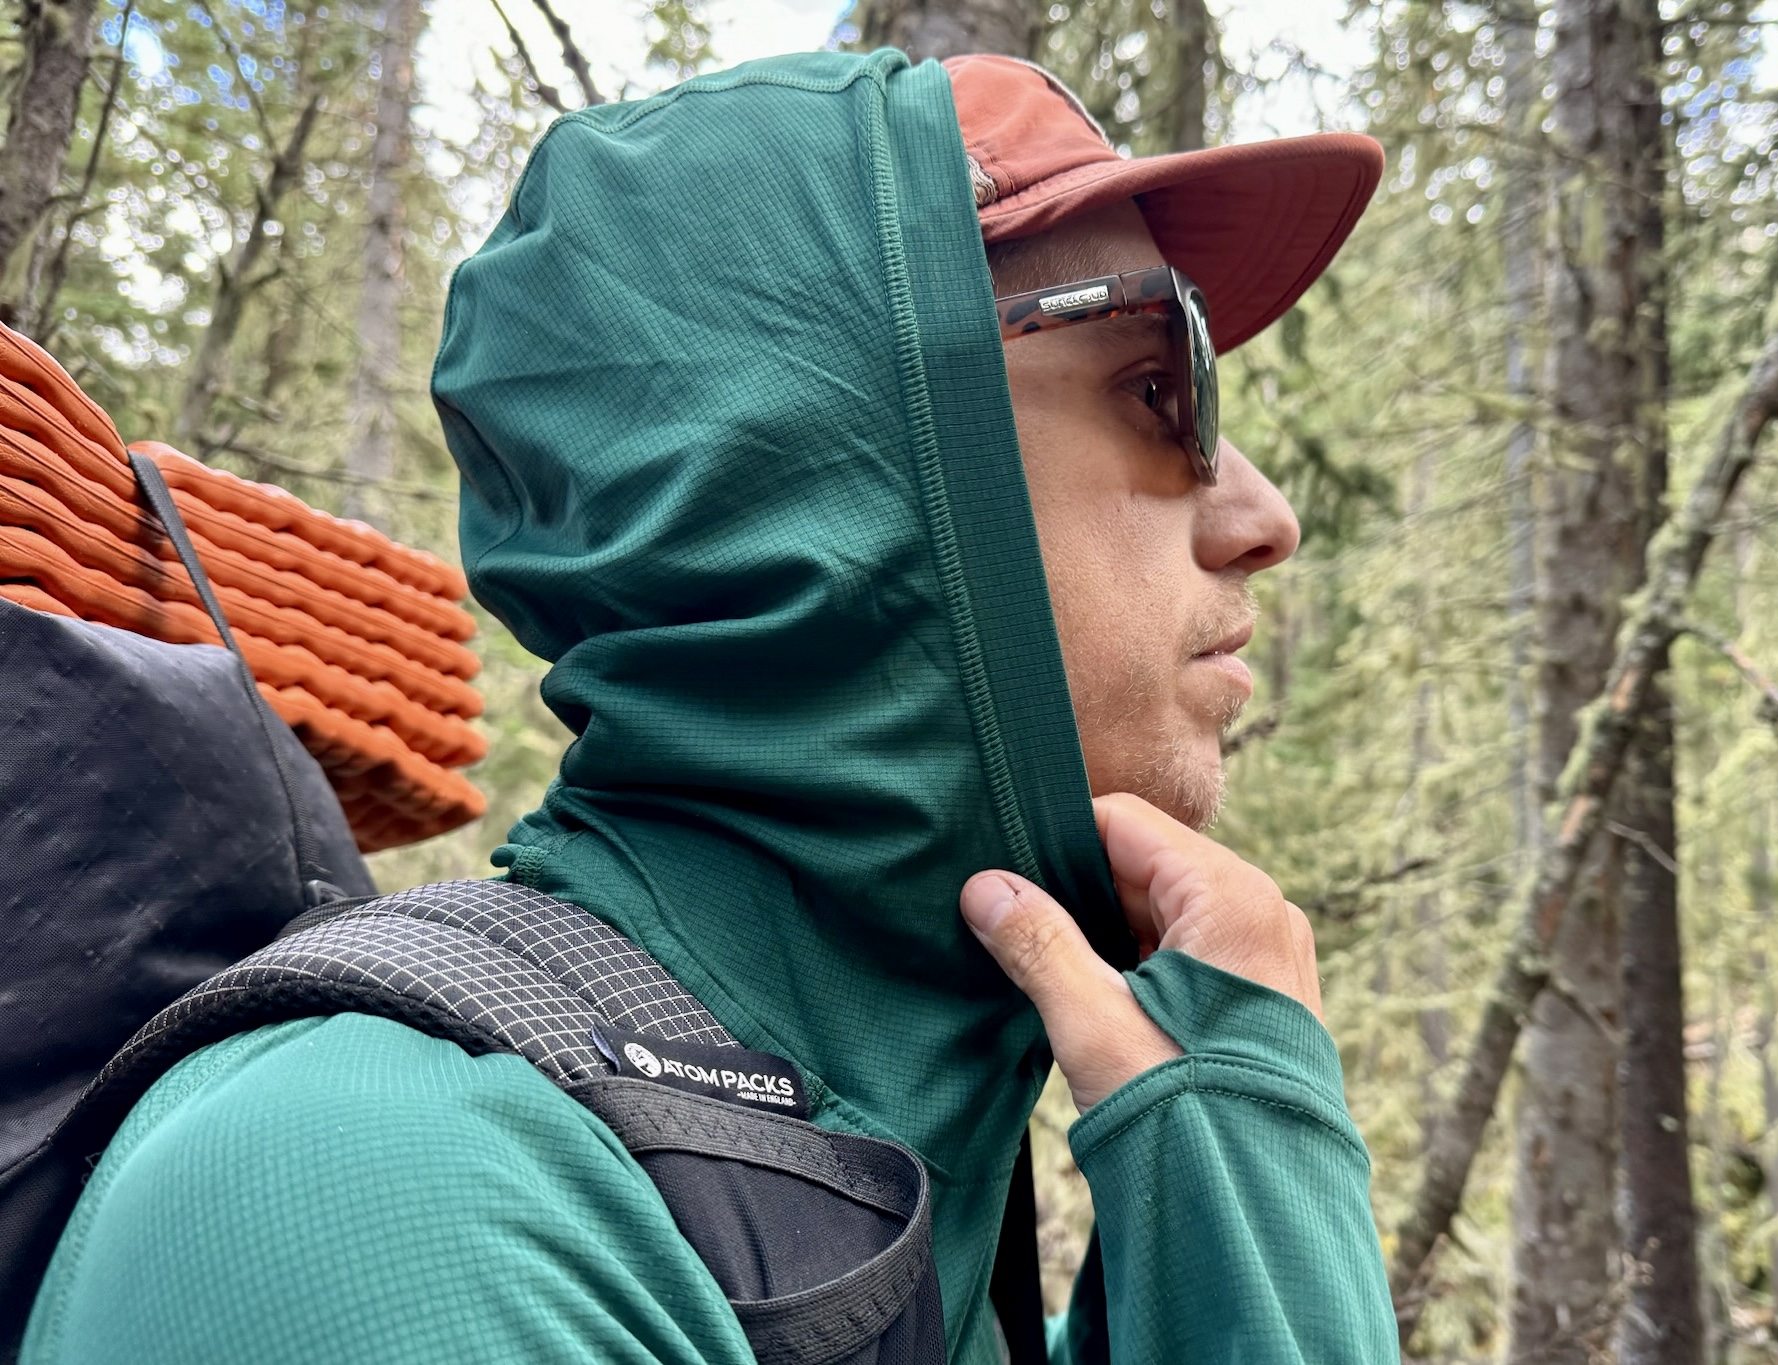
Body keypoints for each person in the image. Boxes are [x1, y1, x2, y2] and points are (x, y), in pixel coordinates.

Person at [22, 49, 1396, 1363]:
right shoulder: (384, 1201)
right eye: (1162, 386)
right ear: (842, 472)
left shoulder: (913, 1161)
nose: (1262, 515)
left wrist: (1246, 1215)